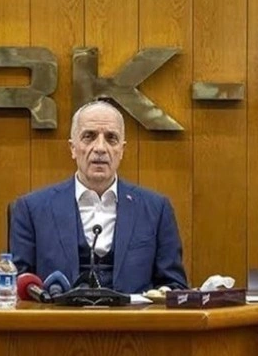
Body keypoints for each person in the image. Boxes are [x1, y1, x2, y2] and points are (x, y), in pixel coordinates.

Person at [10, 101, 187, 294]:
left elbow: (174, 285)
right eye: (89, 137)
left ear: (122, 150)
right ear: (73, 148)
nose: (100, 148)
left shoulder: (156, 209)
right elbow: (16, 287)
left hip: (134, 313)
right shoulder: (31, 209)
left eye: (111, 138)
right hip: (58, 313)